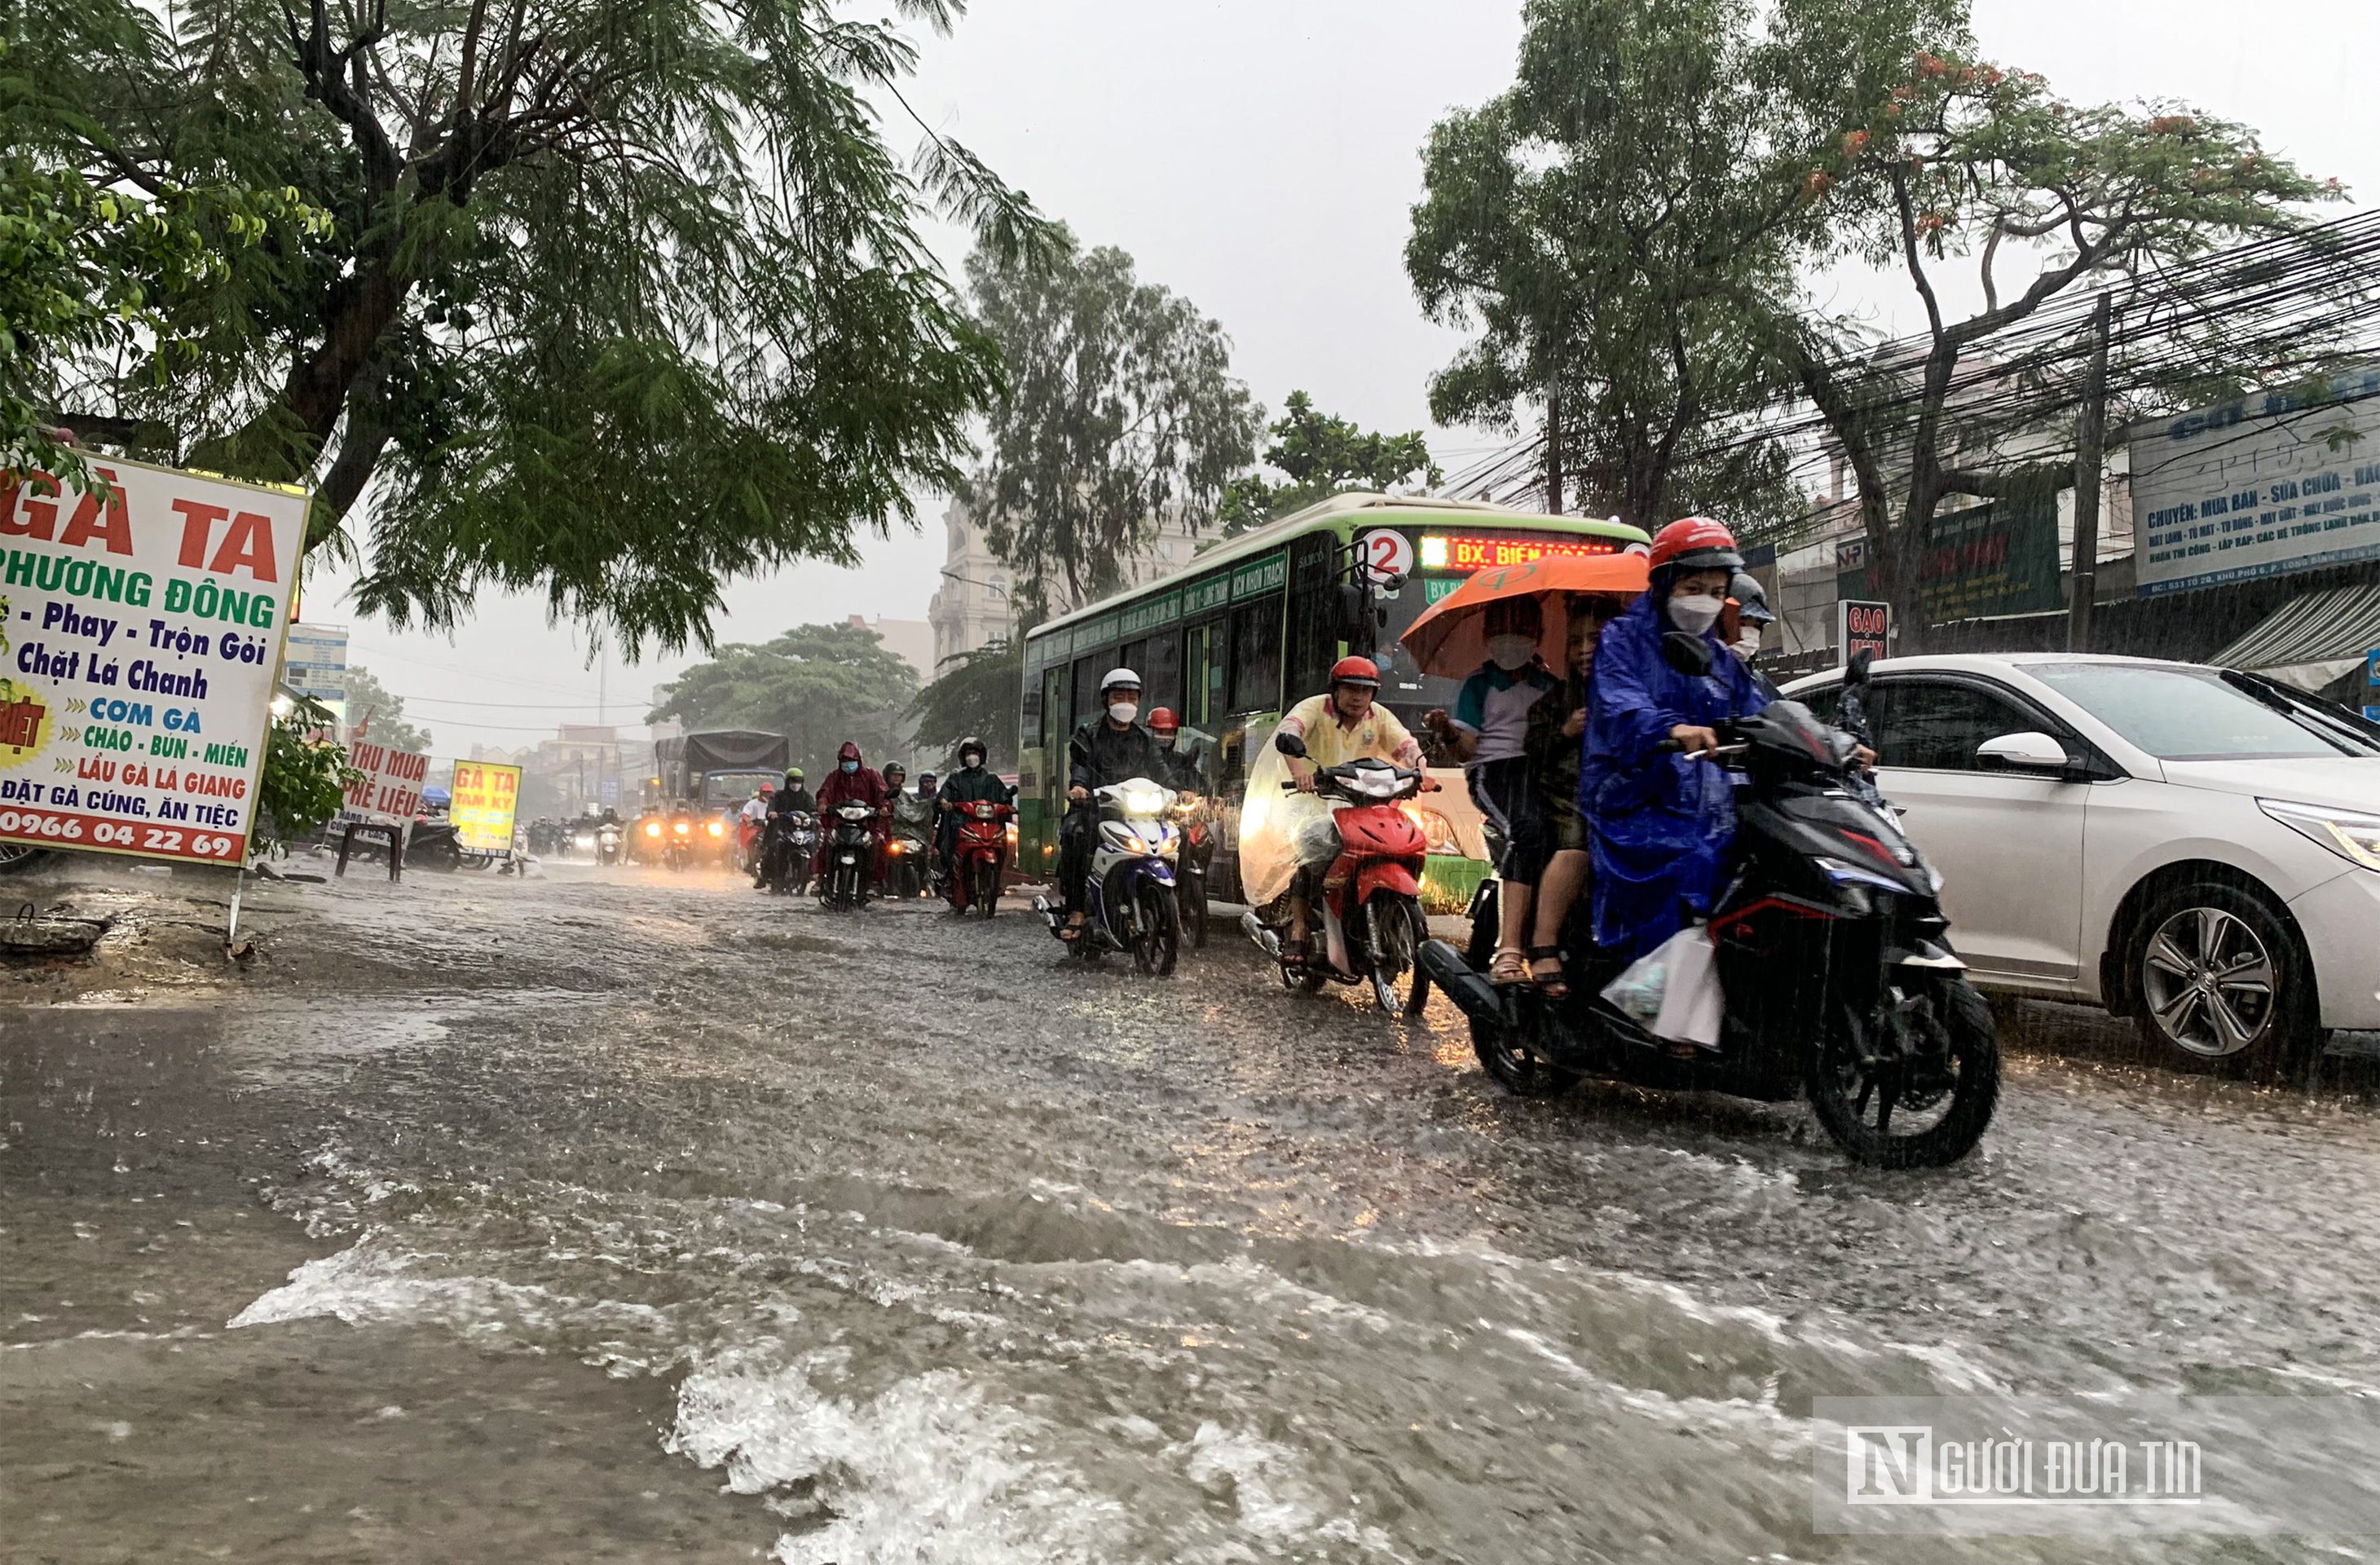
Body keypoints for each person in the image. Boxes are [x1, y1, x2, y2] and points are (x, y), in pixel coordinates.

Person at [1580, 517, 1771, 962]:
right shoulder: (1622, 640)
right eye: (1693, 587)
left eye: (1715, 589)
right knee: (1692, 860)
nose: (1704, 601)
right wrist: (1671, 728)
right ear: (1665, 584)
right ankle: (1659, 992)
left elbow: (1762, 711)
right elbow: (1620, 704)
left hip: (1709, 799)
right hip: (1633, 793)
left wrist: (1830, 743)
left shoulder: (1722, 658)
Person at [1241, 656, 1431, 968]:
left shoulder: (1379, 717)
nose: (1358, 697)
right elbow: (1290, 732)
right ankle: (1300, 927)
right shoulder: (1314, 708)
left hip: (1359, 801)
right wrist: (1301, 771)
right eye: (1351, 689)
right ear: (1335, 690)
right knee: (1311, 849)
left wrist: (1422, 771)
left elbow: (1406, 745)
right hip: (1310, 797)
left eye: (1365, 691)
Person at [1421, 595, 1559, 985]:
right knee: (1527, 831)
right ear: (1488, 637)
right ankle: (1509, 948)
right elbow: (1468, 748)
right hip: (1496, 773)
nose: (1511, 640)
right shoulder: (1479, 685)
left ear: (1537, 636)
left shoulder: (1551, 684)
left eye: (1521, 632)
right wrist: (1448, 731)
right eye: (1502, 632)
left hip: (1547, 773)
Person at [1510, 593, 1625, 995]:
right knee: (1579, 844)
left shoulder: (1636, 695)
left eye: (1595, 639)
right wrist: (1565, 733)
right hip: (1569, 798)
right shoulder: (1557, 701)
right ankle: (1544, 944)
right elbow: (1533, 747)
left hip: (1625, 796)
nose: (1584, 650)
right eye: (1575, 642)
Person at [1060, 668, 1168, 940]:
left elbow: (1161, 770)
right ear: (1106, 700)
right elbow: (1080, 766)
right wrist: (1079, 788)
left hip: (1138, 813)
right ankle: (1076, 910)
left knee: (1176, 837)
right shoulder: (1088, 735)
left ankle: (1179, 906)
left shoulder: (1145, 739)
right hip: (1097, 809)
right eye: (1118, 696)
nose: (1125, 702)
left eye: (1131, 697)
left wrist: (1185, 792)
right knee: (1077, 836)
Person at [936, 737, 1012, 899]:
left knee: (1003, 843)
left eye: (975, 753)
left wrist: (1008, 804)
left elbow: (1004, 796)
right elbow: (944, 794)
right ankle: (951, 878)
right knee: (951, 842)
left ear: (982, 755)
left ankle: (995, 881)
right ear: (963, 757)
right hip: (962, 823)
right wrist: (944, 802)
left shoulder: (991, 779)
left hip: (987, 824)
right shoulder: (955, 778)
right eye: (969, 753)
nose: (972, 757)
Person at [812, 741, 891, 889]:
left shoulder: (871, 776)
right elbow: (825, 792)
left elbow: (883, 793)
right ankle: (822, 877)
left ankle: (874, 881)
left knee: (877, 845)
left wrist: (884, 807)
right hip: (839, 822)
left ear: (858, 760)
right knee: (828, 842)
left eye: (851, 761)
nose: (848, 764)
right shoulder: (834, 777)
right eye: (845, 761)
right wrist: (823, 805)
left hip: (867, 824)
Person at [1147, 708, 1219, 796]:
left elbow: (1200, 785)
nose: (1165, 738)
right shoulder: (1142, 759)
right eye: (1161, 732)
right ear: (1150, 732)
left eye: (1169, 733)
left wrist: (1209, 796)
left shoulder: (1181, 761)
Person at [886, 763, 934, 893]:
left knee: (925, 851)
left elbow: (915, 808)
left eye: (899, 776)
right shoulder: (881, 793)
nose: (896, 778)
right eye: (893, 775)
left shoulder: (906, 796)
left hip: (907, 835)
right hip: (888, 833)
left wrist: (930, 806)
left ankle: (926, 881)